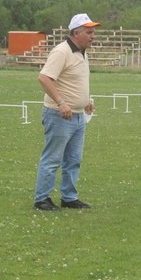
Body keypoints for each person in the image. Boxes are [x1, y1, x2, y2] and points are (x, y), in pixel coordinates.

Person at [33, 13, 99, 210]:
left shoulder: (81, 52)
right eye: (89, 32)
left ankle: (69, 197)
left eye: (93, 32)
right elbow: (44, 78)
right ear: (75, 33)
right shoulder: (61, 52)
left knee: (73, 160)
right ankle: (42, 199)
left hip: (78, 116)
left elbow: (74, 81)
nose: (93, 36)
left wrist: (86, 101)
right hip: (59, 115)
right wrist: (61, 103)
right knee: (52, 159)